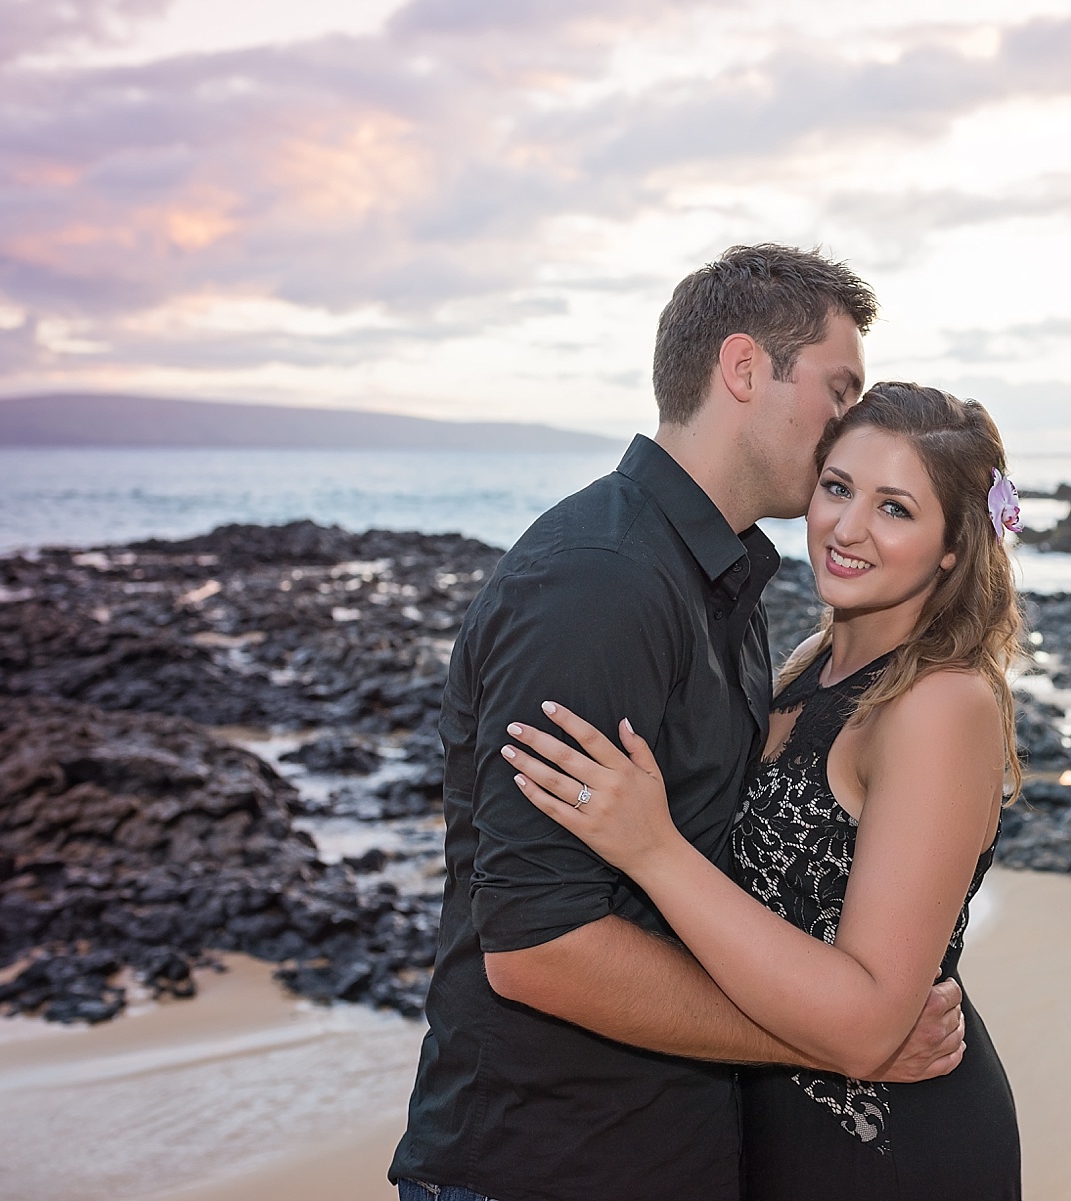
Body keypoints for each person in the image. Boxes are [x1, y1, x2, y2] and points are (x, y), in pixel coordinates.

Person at [389, 248, 968, 1201]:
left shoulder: (724, 579)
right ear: (744, 370)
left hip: (664, 1152)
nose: (847, 425)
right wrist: (839, 1038)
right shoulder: (600, 582)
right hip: (545, 1164)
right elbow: (540, 948)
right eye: (837, 388)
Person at [505, 383, 1026, 1200]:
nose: (847, 528)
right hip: (763, 1135)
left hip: (887, 1146)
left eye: (895, 509)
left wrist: (651, 849)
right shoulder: (804, 667)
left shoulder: (942, 703)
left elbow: (867, 1023)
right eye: (838, 487)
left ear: (954, 546)